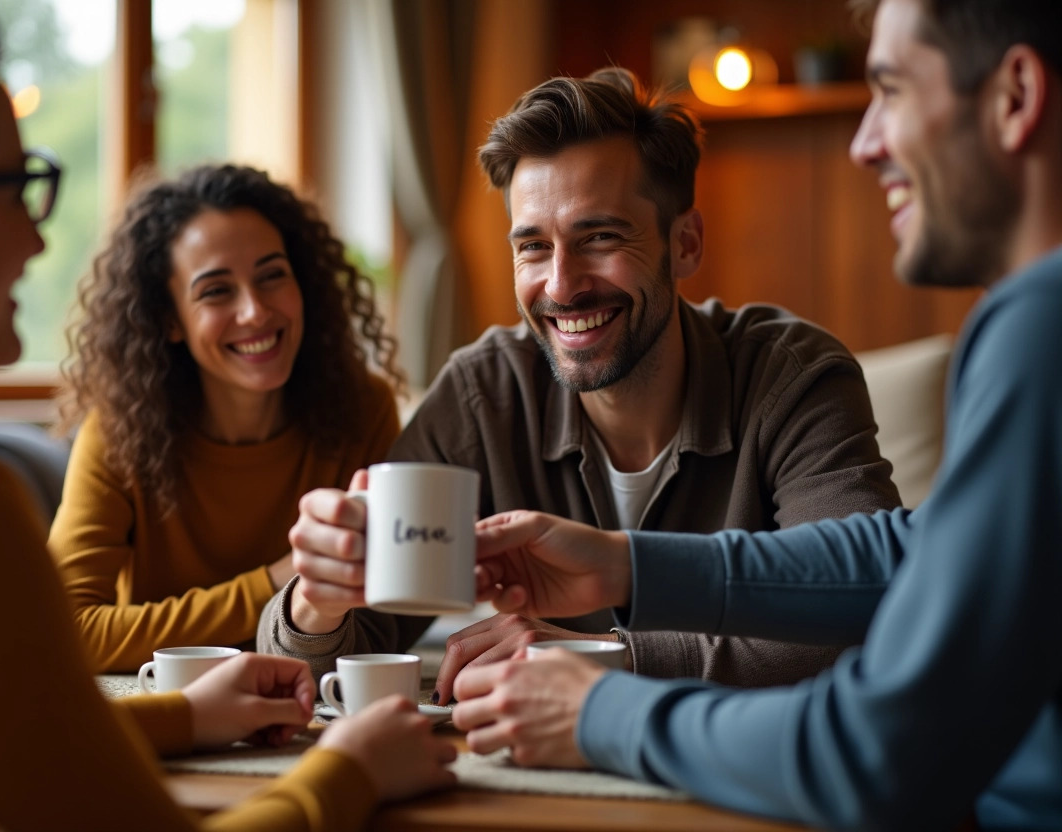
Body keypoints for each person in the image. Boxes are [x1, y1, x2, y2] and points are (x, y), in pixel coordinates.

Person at [450, 0, 1062, 828]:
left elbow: (877, 753)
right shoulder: (1035, 318)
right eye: (533, 246)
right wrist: (629, 566)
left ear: (1016, 95)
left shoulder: (1038, 323)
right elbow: (915, 552)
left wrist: (599, 707)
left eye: (891, 90)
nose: (865, 141)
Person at [0, 2, 455, 830]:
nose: (35, 236)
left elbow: (7, 737)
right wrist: (345, 773)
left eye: (273, 276)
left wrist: (190, 714)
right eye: (17, 186)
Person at [261, 67, 902, 702]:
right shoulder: (485, 393)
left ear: (684, 244)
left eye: (599, 237)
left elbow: (861, 610)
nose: (562, 286)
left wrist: (598, 661)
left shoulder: (792, 377)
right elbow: (330, 664)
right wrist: (317, 606)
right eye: (533, 247)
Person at [49, 163, 404, 672]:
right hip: (175, 703)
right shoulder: (118, 433)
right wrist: (276, 580)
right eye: (216, 291)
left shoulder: (363, 409)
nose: (255, 311)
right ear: (170, 319)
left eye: (272, 276)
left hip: (312, 698)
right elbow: (68, 630)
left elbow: (380, 616)